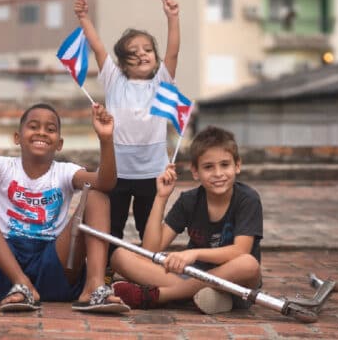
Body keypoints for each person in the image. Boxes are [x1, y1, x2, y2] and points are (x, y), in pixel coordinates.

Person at [0, 78, 129, 313]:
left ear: (59, 143)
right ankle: (22, 284)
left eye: (50, 129)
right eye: (33, 126)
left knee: (97, 196)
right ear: (17, 138)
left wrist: (106, 139)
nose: (41, 132)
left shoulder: (65, 172)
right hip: (3, 267)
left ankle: (93, 287)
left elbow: (106, 182)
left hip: (54, 264)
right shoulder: (3, 167)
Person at [108, 126, 263, 315]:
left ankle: (160, 296)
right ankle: (202, 297)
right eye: (208, 167)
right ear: (195, 172)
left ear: (237, 165)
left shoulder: (247, 199)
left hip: (234, 282)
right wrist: (161, 197)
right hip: (190, 276)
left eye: (225, 165)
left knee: (249, 264)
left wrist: (194, 254)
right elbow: (148, 250)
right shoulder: (189, 200)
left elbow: (240, 251)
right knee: (119, 256)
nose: (218, 173)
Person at [74, 0, 181, 260]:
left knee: (150, 229)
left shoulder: (162, 82)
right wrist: (84, 17)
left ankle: (146, 270)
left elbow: (174, 52)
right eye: (134, 52)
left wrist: (173, 18)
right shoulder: (113, 80)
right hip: (117, 174)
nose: (143, 54)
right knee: (111, 228)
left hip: (152, 173)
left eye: (147, 49)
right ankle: (109, 270)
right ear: (122, 63)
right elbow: (98, 47)